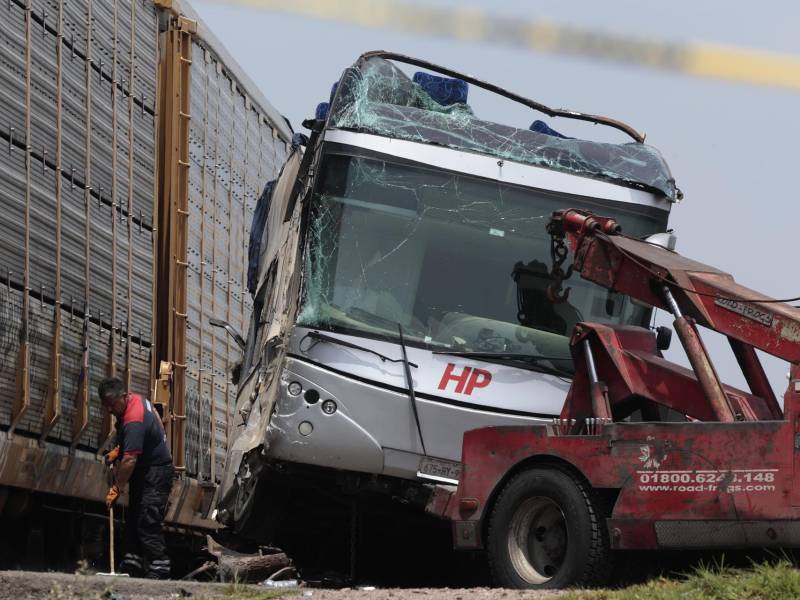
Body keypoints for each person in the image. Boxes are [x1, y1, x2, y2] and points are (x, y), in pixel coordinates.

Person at [99, 376, 174, 579]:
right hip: (146, 470)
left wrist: (117, 488)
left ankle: (159, 568)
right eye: (106, 405)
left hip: (156, 472)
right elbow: (156, 419)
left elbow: (130, 460)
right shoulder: (139, 400)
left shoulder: (133, 419)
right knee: (134, 519)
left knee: (147, 519)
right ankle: (133, 564)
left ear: (123, 397)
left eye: (112, 404)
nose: (109, 410)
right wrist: (118, 449)